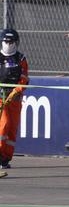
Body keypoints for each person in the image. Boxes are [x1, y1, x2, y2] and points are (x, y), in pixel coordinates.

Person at [0, 29, 28, 169]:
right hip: (1, 96)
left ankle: (6, 158)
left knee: (12, 128)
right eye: (7, 42)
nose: (9, 44)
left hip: (15, 97)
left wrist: (17, 90)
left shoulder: (21, 58)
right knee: (3, 124)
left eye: (12, 42)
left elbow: (24, 78)